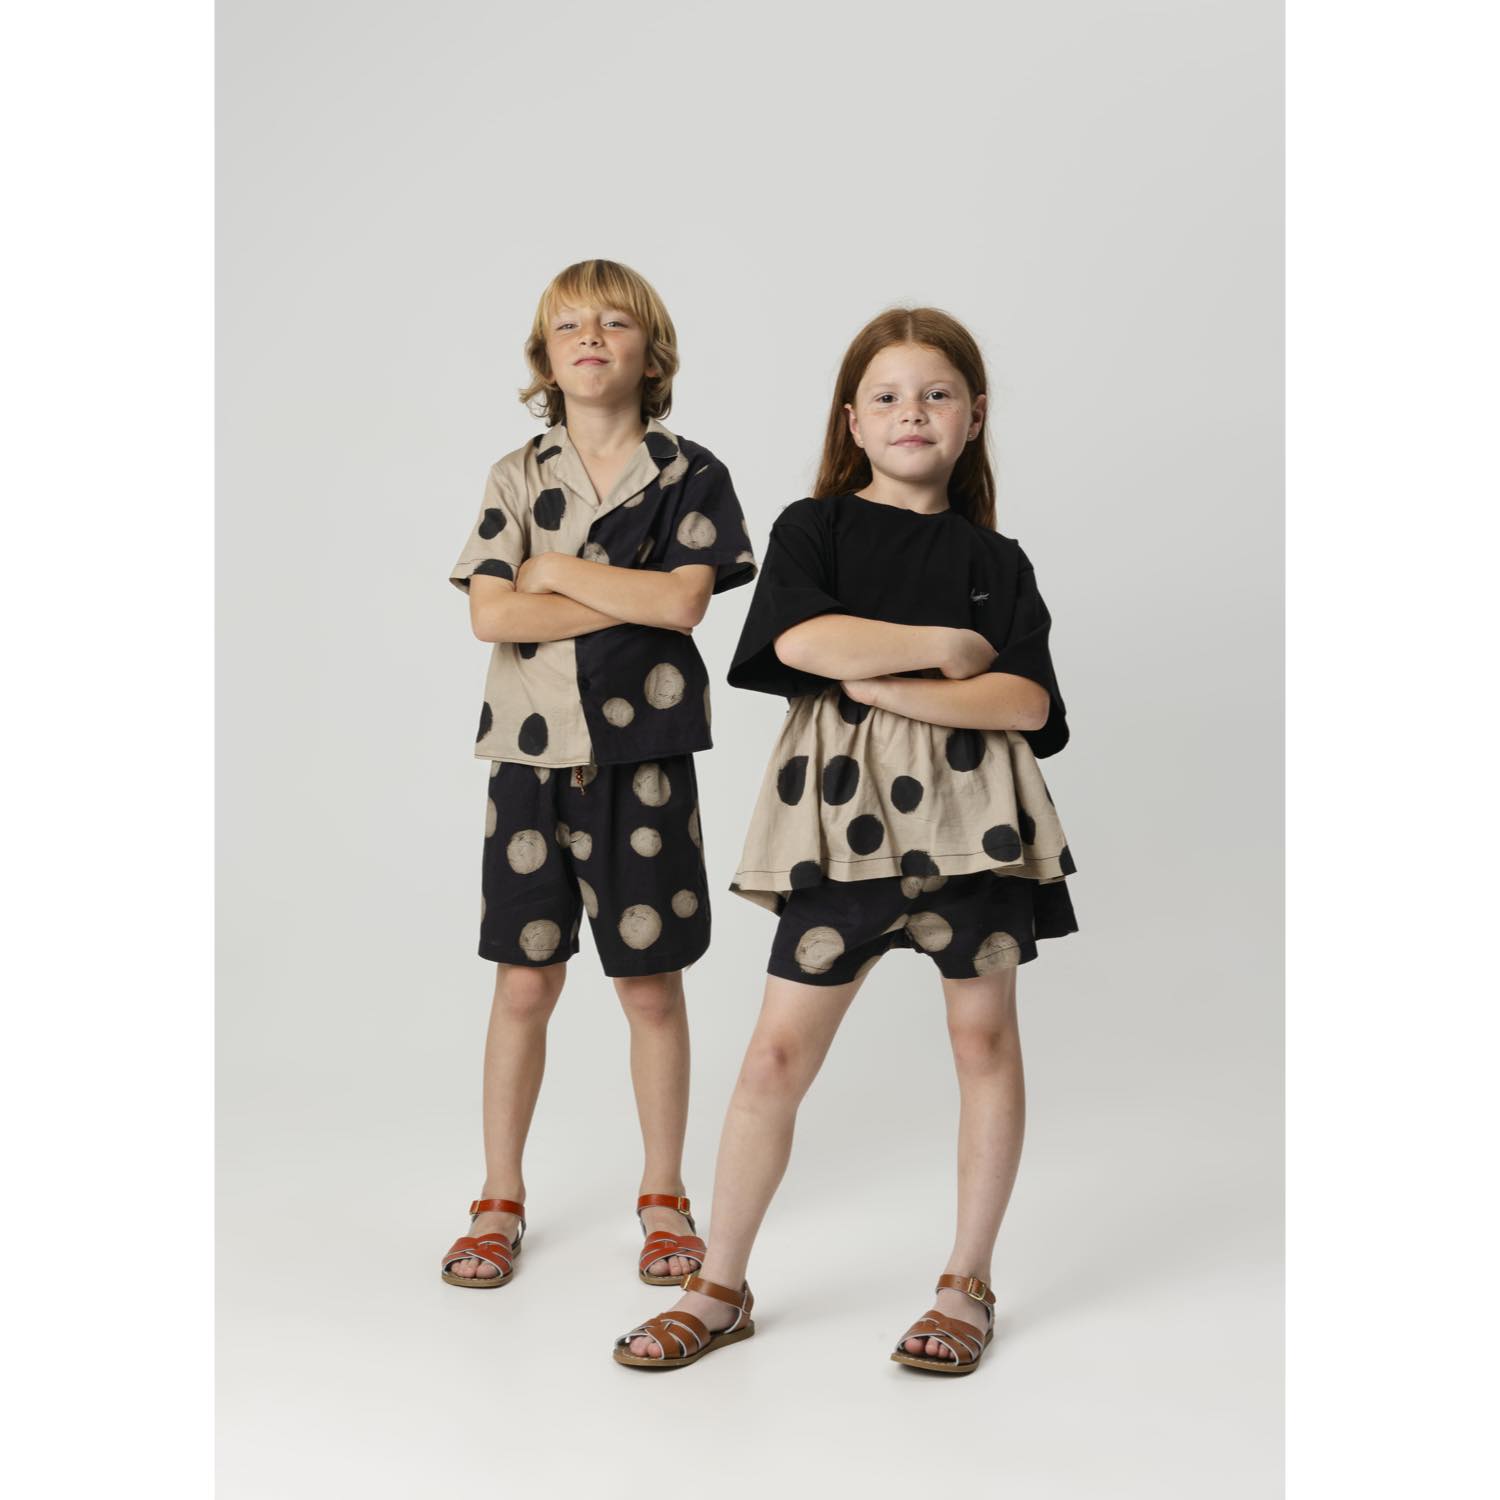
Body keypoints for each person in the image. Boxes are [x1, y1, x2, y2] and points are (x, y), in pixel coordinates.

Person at [613, 307, 1077, 1374]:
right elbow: (799, 639)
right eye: (888, 396)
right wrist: (942, 649)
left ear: (973, 417)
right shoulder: (813, 529)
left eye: (937, 394)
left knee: (983, 1044)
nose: (913, 412)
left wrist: (887, 683)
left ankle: (966, 1283)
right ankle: (718, 1286)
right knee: (776, 1054)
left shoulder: (997, 559)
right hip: (841, 833)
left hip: (976, 835)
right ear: (854, 422)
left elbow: (1026, 702)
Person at [441, 259, 756, 1290]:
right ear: (544, 358)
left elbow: (684, 606)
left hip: (644, 762)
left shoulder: (692, 474)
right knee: (524, 982)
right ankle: (499, 1195)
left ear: (650, 354)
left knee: (649, 989)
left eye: (614, 322)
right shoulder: (515, 475)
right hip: (529, 759)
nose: (590, 337)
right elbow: (492, 614)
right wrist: (629, 594)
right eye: (569, 325)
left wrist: (557, 572)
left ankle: (665, 1197)